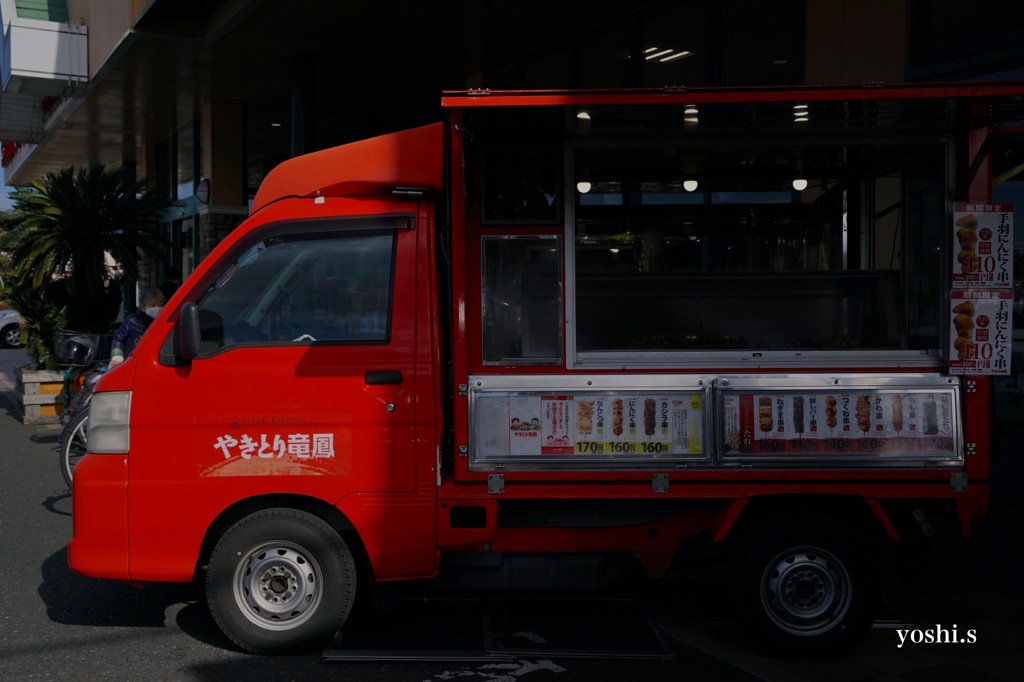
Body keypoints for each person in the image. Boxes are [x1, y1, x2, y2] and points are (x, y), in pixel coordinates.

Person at [108, 287, 166, 368]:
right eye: (153, 305)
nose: (157, 308)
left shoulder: (165, 323)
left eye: (160, 304)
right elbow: (118, 339)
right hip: (131, 365)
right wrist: (116, 356)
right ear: (143, 308)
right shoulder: (132, 321)